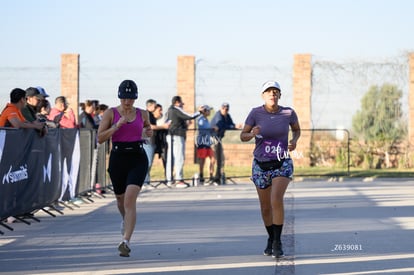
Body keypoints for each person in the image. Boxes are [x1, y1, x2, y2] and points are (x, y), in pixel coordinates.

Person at [240, 81, 301, 258]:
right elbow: (243, 136)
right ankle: (271, 237)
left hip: (281, 162)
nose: (272, 95)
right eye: (268, 92)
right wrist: (251, 134)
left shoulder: (288, 112)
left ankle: (277, 241)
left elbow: (297, 130)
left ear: (280, 95)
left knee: (276, 199)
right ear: (263, 95)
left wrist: (294, 140)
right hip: (260, 164)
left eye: (275, 92)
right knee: (265, 207)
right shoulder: (255, 113)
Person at [97, 79, 152, 257]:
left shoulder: (143, 113)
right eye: (124, 98)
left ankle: (125, 241)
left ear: (135, 98)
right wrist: (115, 127)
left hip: (137, 157)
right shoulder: (110, 113)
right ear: (119, 97)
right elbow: (100, 138)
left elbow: (147, 129)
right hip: (118, 158)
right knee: (120, 200)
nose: (127, 102)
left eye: (130, 98)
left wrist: (148, 133)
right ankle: (125, 221)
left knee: (129, 199)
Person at [165, 96, 204, 188]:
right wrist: (200, 112)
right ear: (177, 102)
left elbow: (175, 121)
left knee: (171, 159)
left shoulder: (169, 111)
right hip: (177, 136)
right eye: (181, 103)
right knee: (179, 158)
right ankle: (179, 180)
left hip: (170, 135)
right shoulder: (176, 109)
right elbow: (190, 116)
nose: (182, 105)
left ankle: (169, 180)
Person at [210, 102, 240, 184]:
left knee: (220, 158)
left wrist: (235, 126)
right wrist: (232, 126)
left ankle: (218, 176)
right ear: (221, 108)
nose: (225, 110)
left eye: (226, 109)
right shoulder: (218, 115)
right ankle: (212, 177)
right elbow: (221, 125)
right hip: (213, 138)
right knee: (216, 158)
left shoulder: (227, 116)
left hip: (219, 138)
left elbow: (231, 124)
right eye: (223, 108)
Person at [143, 101, 170, 188]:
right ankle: (144, 182)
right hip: (148, 141)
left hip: (153, 141)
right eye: (154, 106)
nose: (155, 108)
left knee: (149, 163)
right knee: (147, 163)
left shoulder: (151, 115)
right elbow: (150, 126)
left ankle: (146, 181)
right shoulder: (147, 114)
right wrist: (163, 127)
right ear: (150, 106)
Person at [196, 105, 215, 185]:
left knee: (213, 158)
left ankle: (211, 176)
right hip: (202, 142)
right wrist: (212, 127)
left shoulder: (207, 120)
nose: (209, 112)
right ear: (204, 111)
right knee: (202, 160)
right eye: (208, 110)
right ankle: (201, 176)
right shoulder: (200, 119)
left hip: (208, 142)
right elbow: (203, 128)